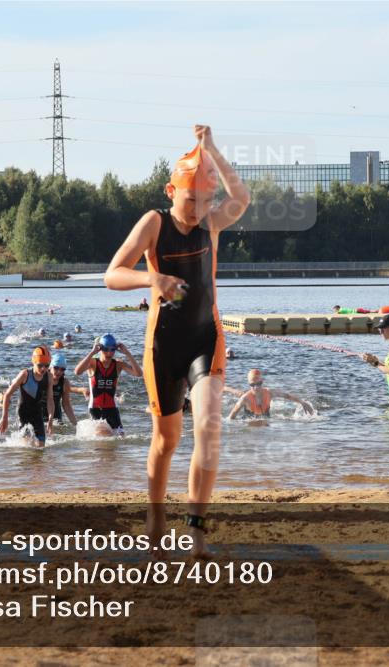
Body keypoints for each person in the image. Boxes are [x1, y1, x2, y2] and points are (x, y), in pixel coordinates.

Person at [104, 125, 250, 557]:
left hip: (207, 338)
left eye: (206, 201)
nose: (199, 209)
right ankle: (155, 514)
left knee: (208, 428)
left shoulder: (212, 224)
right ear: (171, 191)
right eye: (191, 200)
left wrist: (214, 151)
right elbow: (112, 274)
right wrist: (154, 278)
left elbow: (240, 199)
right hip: (163, 345)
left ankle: (196, 530)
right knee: (167, 440)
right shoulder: (153, 223)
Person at [74, 333, 142, 433]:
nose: (109, 353)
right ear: (100, 349)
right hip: (95, 408)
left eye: (112, 349)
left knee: (120, 438)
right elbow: (77, 372)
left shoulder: (118, 364)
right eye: (106, 349)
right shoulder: (92, 363)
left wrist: (127, 353)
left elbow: (138, 374)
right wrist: (92, 352)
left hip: (112, 409)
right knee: (102, 436)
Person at [0, 346, 55, 447]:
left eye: (47, 365)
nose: (43, 369)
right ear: (33, 362)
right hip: (23, 414)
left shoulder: (49, 377)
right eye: (40, 365)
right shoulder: (24, 375)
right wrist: (4, 417)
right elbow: (7, 394)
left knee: (41, 448)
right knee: (27, 448)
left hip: (37, 413)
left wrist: (50, 418)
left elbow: (50, 399)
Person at [227, 369, 314, 421]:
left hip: (266, 420)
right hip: (249, 422)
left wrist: (303, 402)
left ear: (262, 382)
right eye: (252, 385)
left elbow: (287, 395)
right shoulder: (245, 398)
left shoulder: (269, 392)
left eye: (259, 384)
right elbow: (230, 418)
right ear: (249, 384)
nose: (256, 388)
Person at [49, 351, 86, 426]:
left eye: (62, 369)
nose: (59, 371)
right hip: (39, 415)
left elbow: (66, 404)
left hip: (56, 418)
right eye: (56, 368)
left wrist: (76, 425)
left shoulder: (64, 382)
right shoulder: (42, 379)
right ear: (50, 367)